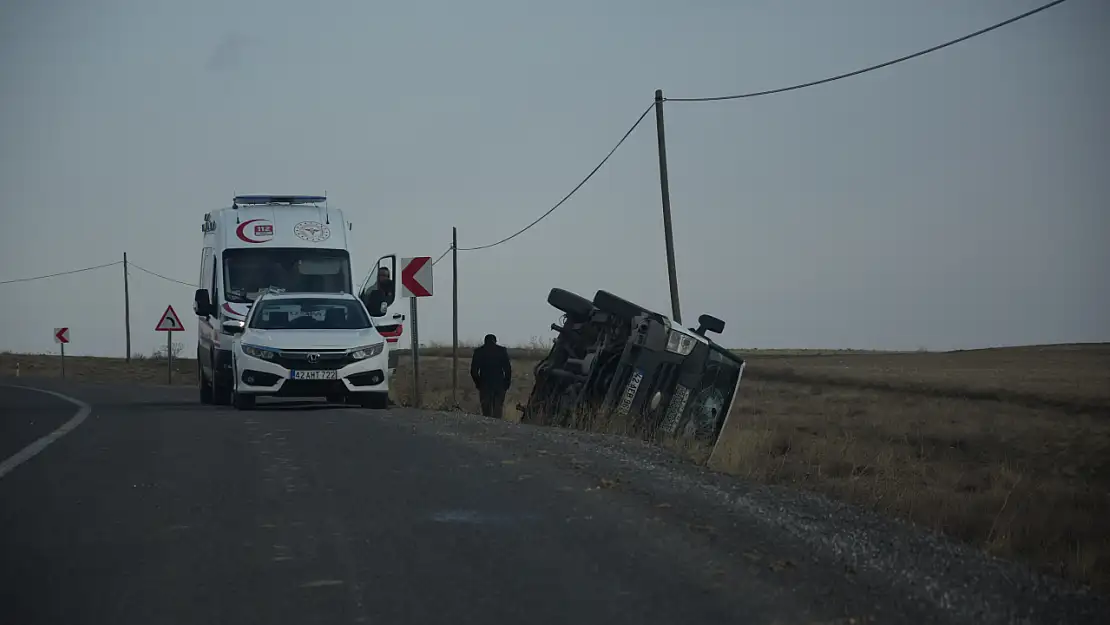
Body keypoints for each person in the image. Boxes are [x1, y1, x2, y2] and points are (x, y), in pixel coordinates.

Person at [470, 333, 512, 419]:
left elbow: (473, 371)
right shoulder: (501, 351)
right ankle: (497, 427)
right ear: (495, 341)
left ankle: (488, 426)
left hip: (484, 383)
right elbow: (508, 369)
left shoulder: (479, 352)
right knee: (498, 409)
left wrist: (478, 383)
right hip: (499, 383)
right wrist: (506, 383)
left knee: (486, 411)